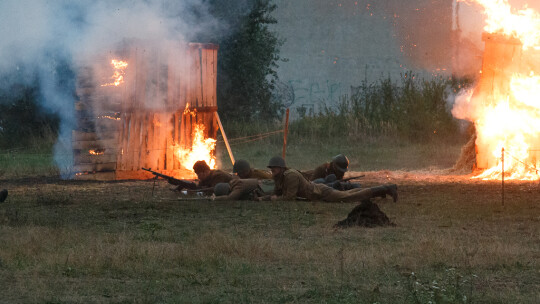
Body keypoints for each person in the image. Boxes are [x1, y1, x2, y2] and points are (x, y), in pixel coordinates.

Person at [263, 156, 398, 202]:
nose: (272, 171)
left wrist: (274, 199)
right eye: (272, 169)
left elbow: (288, 198)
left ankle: (385, 188)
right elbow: (277, 193)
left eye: (274, 169)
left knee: (349, 197)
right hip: (318, 193)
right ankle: (382, 191)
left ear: (281, 168)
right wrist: (263, 198)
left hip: (321, 192)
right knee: (350, 194)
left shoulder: (290, 175)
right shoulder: (280, 177)